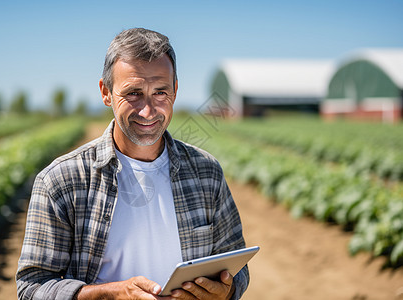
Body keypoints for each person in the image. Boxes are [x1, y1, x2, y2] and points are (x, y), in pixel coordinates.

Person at [16, 28, 249, 300]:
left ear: (175, 90)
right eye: (134, 93)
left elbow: (237, 267)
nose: (148, 111)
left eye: (160, 92)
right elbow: (32, 288)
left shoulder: (207, 173)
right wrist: (107, 294)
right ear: (106, 92)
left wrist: (226, 289)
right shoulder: (61, 181)